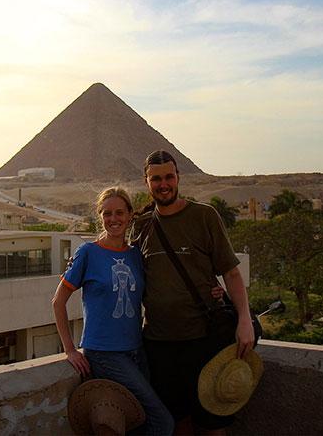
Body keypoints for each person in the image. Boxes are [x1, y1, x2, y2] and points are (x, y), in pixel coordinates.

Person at [130, 150, 255, 435]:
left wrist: (245, 320)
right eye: (156, 179)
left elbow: (231, 272)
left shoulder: (204, 216)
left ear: (178, 178)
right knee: (178, 422)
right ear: (146, 182)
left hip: (203, 338)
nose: (164, 184)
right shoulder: (142, 225)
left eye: (169, 177)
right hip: (159, 343)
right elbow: (121, 261)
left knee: (211, 421)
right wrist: (81, 260)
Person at [53, 187, 174, 435]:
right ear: (100, 216)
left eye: (119, 212)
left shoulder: (135, 256)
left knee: (136, 419)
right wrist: (69, 349)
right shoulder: (88, 253)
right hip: (105, 354)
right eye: (107, 213)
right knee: (162, 422)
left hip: (137, 350)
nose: (113, 219)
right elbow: (58, 301)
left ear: (130, 215)